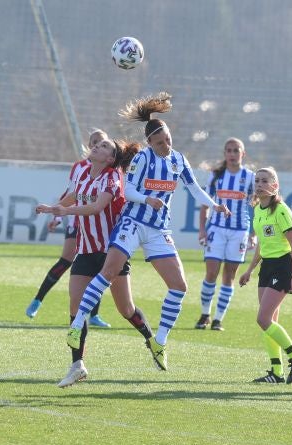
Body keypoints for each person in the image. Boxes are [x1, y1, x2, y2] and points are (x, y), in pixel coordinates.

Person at [64, 92, 231, 370]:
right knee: (108, 272)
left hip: (158, 230)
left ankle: (159, 342)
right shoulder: (142, 159)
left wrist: (215, 206)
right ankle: (77, 324)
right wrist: (146, 199)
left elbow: (194, 189)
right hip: (132, 223)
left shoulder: (178, 160)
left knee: (179, 286)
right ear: (149, 143)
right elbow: (127, 190)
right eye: (160, 142)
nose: (166, 145)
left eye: (168, 139)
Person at [37, 138, 156, 387]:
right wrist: (52, 208)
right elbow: (73, 196)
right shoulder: (83, 173)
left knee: (126, 310)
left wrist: (65, 212)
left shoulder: (112, 177)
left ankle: (152, 340)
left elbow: (96, 207)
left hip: (112, 252)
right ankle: (77, 366)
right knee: (75, 308)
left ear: (111, 159)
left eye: (104, 147)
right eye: (98, 144)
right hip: (87, 250)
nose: (97, 147)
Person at [26, 129, 110, 328]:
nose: (97, 145)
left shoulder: (110, 171)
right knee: (66, 260)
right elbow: (72, 191)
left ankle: (94, 315)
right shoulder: (80, 167)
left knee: (99, 268)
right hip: (76, 219)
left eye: (102, 142)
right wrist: (57, 213)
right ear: (89, 146)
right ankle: (38, 299)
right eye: (94, 142)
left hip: (98, 223)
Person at [238, 167, 292, 384]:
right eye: (257, 181)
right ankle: (276, 372)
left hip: (283, 266)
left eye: (264, 181)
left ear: (274, 186)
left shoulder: (281, 210)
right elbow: (261, 244)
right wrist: (250, 270)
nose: (259, 184)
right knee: (270, 320)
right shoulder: (258, 209)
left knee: (263, 319)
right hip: (267, 266)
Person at [196, 137, 255, 331]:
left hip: (239, 232)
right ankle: (205, 314)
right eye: (229, 150)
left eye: (236, 150)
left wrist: (254, 234)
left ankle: (218, 319)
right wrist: (202, 229)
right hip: (217, 229)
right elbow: (205, 203)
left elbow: (256, 207)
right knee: (211, 272)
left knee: (229, 275)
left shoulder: (251, 177)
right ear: (224, 154)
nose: (232, 154)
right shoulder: (216, 175)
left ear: (242, 154)